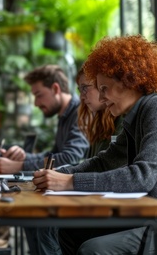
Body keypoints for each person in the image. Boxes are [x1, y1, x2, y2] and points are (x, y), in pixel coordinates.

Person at [33, 35, 157, 254]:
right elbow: (103, 162)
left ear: (129, 80)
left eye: (104, 88)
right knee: (68, 231)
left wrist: (70, 181)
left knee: (94, 249)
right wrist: (55, 174)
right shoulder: (135, 119)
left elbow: (142, 177)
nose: (101, 97)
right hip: (150, 220)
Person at [28, 65, 123, 255]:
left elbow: (76, 159)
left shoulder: (123, 121)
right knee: (39, 221)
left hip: (118, 209)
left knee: (45, 224)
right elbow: (94, 165)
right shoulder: (99, 124)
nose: (81, 96)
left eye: (86, 88)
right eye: (80, 90)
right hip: (101, 202)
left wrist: (66, 178)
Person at [0, 64, 89, 174]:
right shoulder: (65, 114)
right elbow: (54, 154)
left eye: (39, 95)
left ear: (55, 89)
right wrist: (24, 157)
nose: (36, 103)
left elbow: (70, 158)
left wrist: (19, 166)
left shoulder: (80, 112)